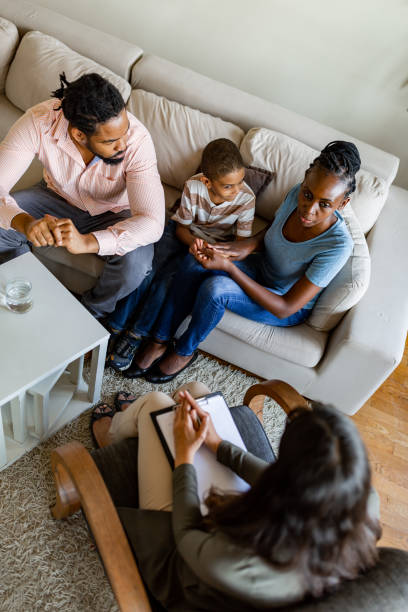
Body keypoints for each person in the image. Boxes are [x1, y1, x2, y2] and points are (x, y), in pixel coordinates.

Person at [90, 383, 381, 611]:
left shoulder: (240, 565)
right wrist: (219, 445)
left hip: (191, 562)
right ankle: (144, 429)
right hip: (254, 529)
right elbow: (282, 482)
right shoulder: (364, 500)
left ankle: (113, 435)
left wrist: (184, 456)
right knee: (197, 392)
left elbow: (186, 533)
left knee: (156, 404)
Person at [129, 140, 359, 383]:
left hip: (282, 301)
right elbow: (272, 232)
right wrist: (238, 248)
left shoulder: (337, 246)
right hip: (259, 268)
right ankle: (159, 340)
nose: (308, 209)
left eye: (324, 204)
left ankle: (184, 351)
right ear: (304, 181)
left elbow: (285, 307)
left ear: (342, 204)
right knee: (195, 260)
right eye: (308, 194)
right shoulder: (296, 194)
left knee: (215, 289)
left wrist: (228, 266)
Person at [0, 72, 165, 319]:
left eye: (124, 133)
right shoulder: (38, 121)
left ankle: (92, 314)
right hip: (54, 198)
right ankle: (26, 285)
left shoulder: (137, 141)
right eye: (111, 141)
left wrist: (88, 242)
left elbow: (152, 222)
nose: (123, 145)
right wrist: (25, 223)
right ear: (78, 135)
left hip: (115, 213)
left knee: (136, 266)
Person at [107, 138, 255, 372]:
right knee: (147, 272)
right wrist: (194, 243)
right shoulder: (193, 186)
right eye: (229, 186)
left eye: (240, 182)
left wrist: (209, 249)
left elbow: (240, 244)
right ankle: (115, 326)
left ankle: (136, 335)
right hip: (181, 234)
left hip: (214, 246)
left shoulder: (246, 199)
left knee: (166, 283)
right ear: (207, 181)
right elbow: (181, 229)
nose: (237, 191)